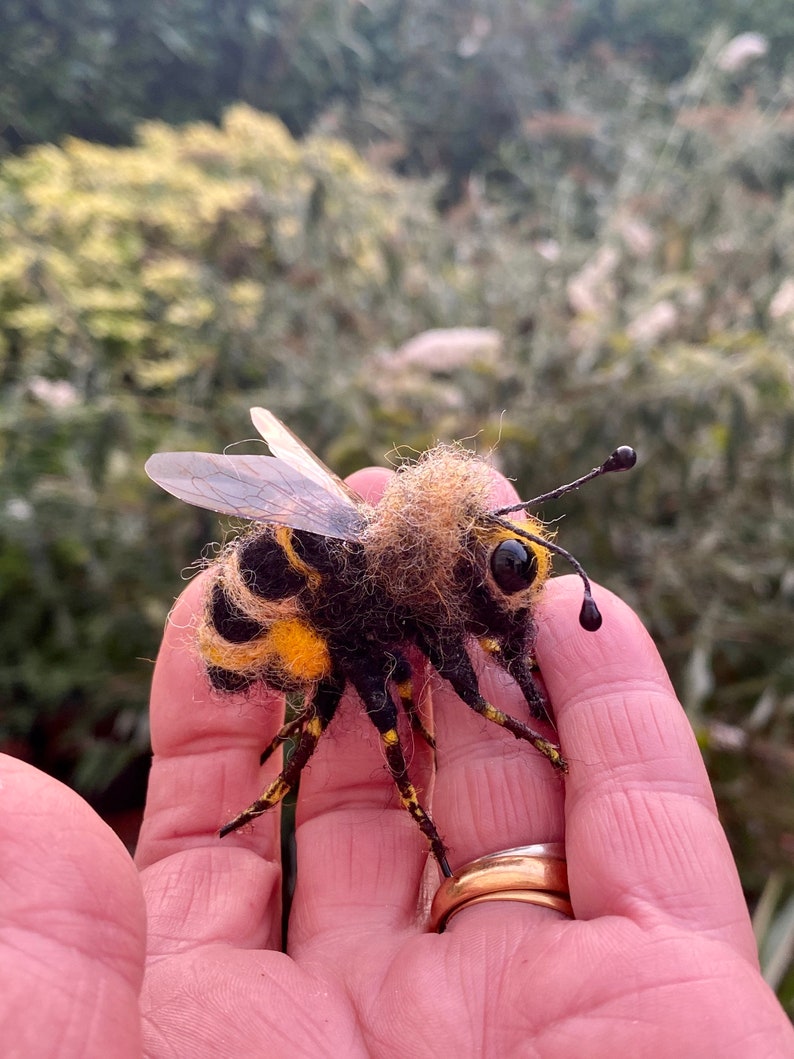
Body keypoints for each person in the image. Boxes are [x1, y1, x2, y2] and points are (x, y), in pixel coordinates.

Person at [2, 466, 792, 1058]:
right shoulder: (399, 579)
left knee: (379, 694)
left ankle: (303, 779)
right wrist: (521, 728)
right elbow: (455, 681)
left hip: (299, 588)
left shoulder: (431, 574)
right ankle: (351, 788)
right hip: (262, 605)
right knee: (385, 708)